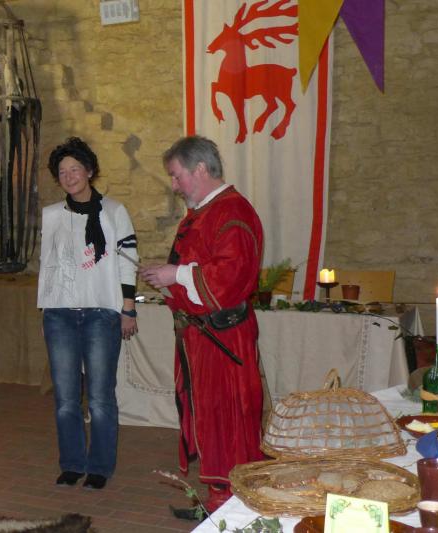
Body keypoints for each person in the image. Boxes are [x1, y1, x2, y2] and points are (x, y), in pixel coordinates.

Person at [140, 135, 264, 518]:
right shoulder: (202, 212)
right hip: (202, 339)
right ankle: (218, 501)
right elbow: (194, 265)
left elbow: (229, 278)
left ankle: (232, 507)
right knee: (210, 419)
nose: (174, 185)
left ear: (199, 169)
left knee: (229, 420)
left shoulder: (233, 212)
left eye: (176, 176)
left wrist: (175, 274)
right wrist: (167, 279)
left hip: (224, 340)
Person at [37, 137, 138, 490]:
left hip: (101, 312)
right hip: (60, 314)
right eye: (62, 172)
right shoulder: (52, 215)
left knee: (99, 396)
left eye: (75, 169)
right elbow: (48, 265)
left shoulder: (113, 211)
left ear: (90, 171)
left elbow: (128, 261)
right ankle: (72, 462)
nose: (69, 177)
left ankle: (100, 466)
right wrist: (48, 306)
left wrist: (128, 308)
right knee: (66, 398)